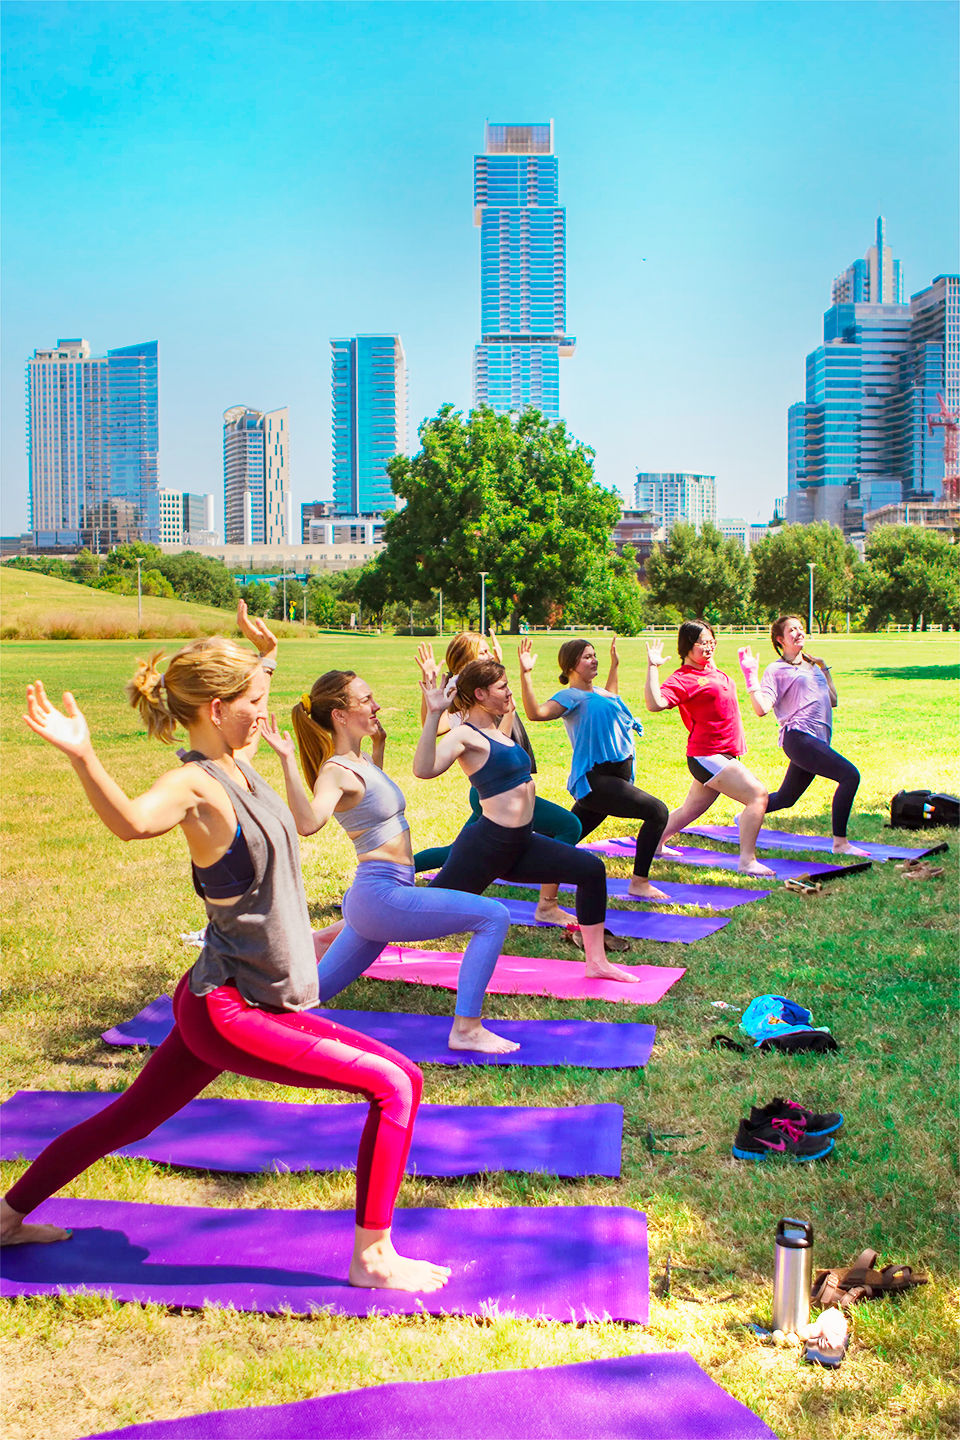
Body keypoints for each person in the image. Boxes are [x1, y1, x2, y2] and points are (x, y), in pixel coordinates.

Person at [1, 607, 449, 1295]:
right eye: (255, 703)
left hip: (223, 987)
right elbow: (131, 823)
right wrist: (84, 755)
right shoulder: (194, 784)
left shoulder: (234, 760)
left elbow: (242, 693)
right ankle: (374, 1256)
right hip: (235, 1007)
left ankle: (5, 1217)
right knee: (397, 1083)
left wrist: (261, 656)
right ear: (218, 709)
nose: (265, 714)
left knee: (130, 1118)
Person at [277, 670, 516, 1054]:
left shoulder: (359, 762)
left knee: (307, 998)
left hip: (378, 900)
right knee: (493, 917)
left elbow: (372, 803)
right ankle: (467, 1029)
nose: (376, 706)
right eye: (366, 700)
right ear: (339, 715)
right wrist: (288, 762)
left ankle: (246, 1002)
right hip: (380, 896)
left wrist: (382, 745)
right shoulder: (336, 771)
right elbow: (308, 823)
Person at [414, 658, 639, 983]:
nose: (509, 692)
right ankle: (341, 933)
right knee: (421, 917)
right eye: (502, 687)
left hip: (520, 843)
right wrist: (434, 713)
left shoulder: (495, 728)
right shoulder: (464, 734)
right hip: (487, 847)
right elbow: (423, 769)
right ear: (480, 694)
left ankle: (597, 962)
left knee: (591, 870)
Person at [413, 632, 581, 925]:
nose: (489, 655)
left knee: (455, 852)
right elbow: (438, 725)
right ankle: (547, 904)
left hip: (508, 782)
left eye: (489, 650)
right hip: (494, 789)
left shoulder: (488, 686)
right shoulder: (460, 694)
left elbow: (501, 732)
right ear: (464, 660)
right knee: (568, 825)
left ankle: (394, 872)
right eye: (482, 652)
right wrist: (431, 699)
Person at [518, 635, 670, 901]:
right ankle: (639, 882)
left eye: (594, 654)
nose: (594, 659)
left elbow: (610, 699)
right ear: (570, 666)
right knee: (657, 812)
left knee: (564, 833)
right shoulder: (570, 696)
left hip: (615, 776)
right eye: (587, 657)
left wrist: (614, 666)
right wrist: (526, 674)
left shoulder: (597, 692)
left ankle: (511, 855)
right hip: (596, 781)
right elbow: (536, 713)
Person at [644, 620, 774, 878]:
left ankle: (655, 843)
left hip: (722, 753)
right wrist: (653, 667)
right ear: (687, 646)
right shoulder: (683, 678)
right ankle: (747, 861)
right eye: (702, 642)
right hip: (707, 755)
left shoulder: (709, 670)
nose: (708, 646)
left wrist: (749, 673)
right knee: (757, 796)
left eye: (711, 641)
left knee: (691, 809)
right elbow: (655, 703)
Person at [739, 616, 869, 858]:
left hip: (815, 740)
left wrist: (825, 670)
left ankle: (745, 816)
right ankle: (840, 843)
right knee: (850, 775)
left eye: (800, 628)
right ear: (780, 639)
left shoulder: (811, 665)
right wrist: (751, 677)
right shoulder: (776, 669)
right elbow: (761, 708)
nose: (799, 632)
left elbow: (833, 701)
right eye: (792, 630)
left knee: (787, 797)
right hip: (798, 738)